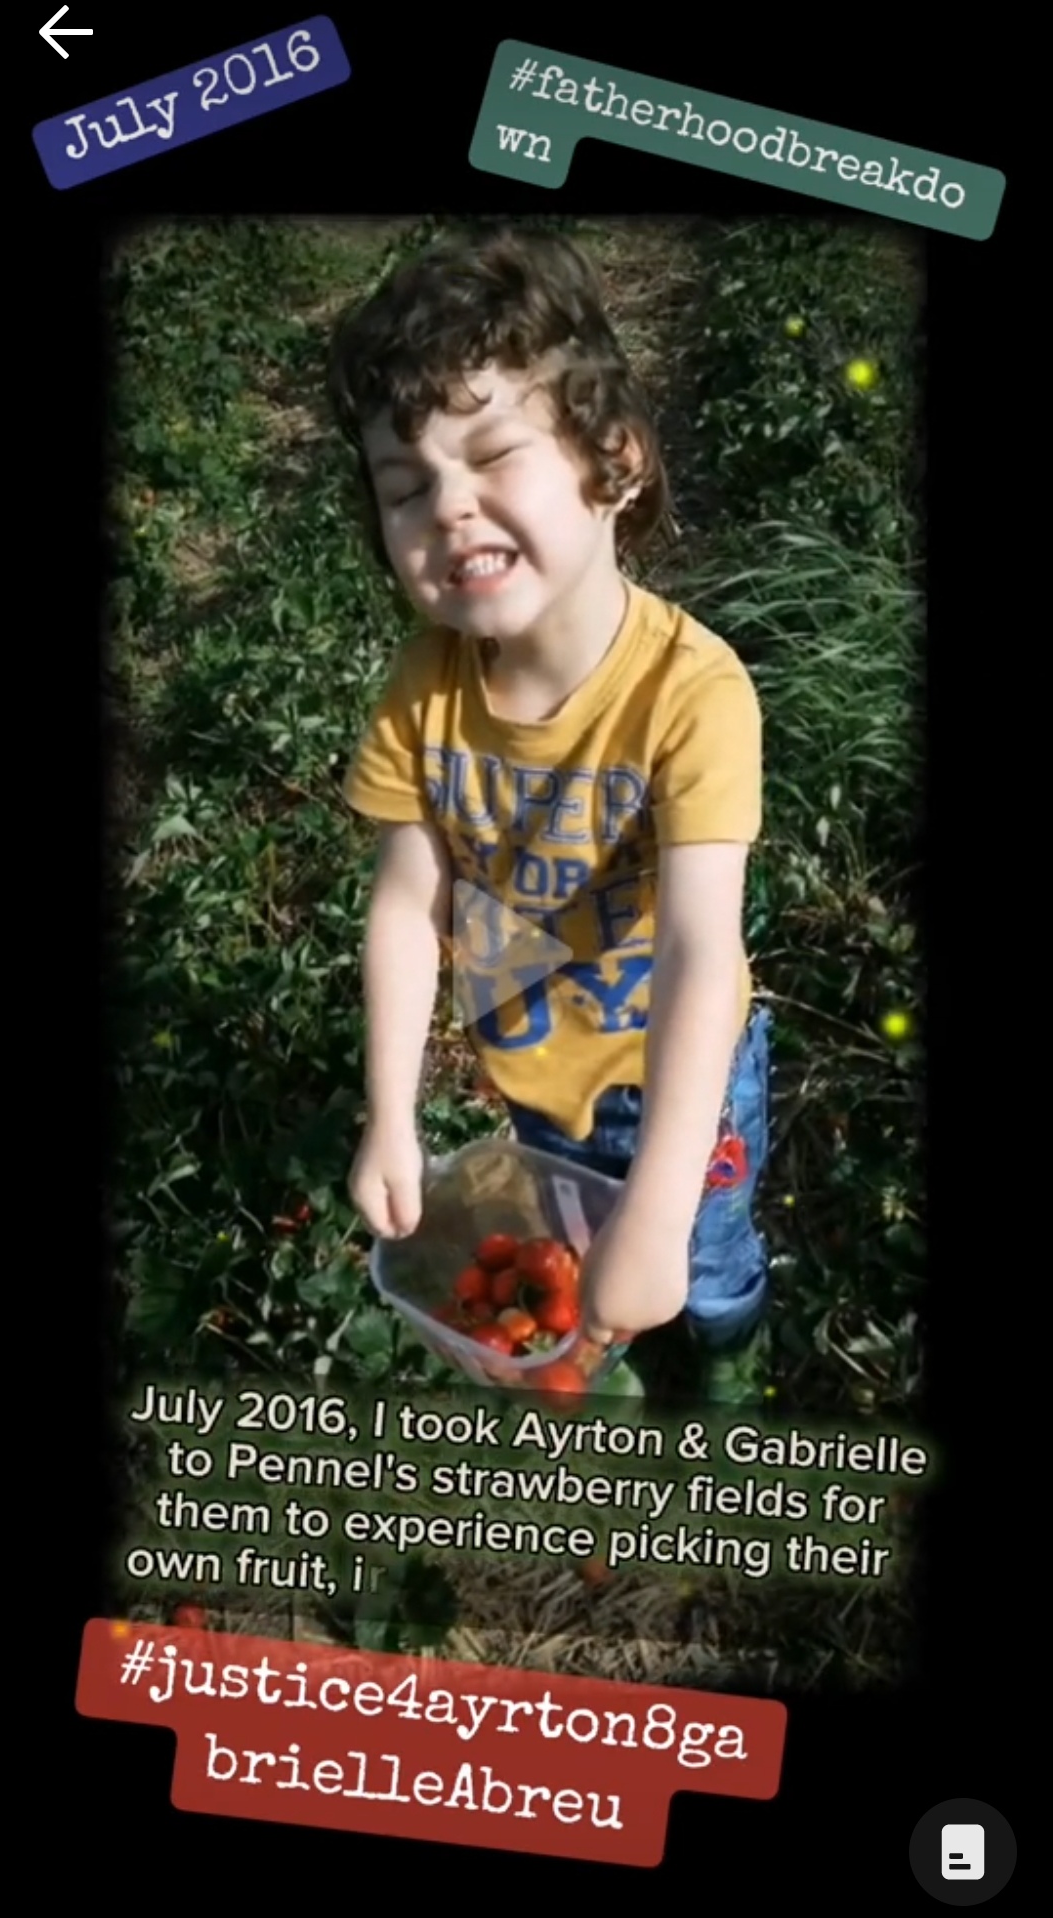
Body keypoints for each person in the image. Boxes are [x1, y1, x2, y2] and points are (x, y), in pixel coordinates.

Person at [327, 225, 773, 1404]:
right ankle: (604, 1359)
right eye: (408, 486)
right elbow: (408, 901)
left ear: (615, 461)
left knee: (705, 1258)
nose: (449, 508)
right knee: (580, 1253)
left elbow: (697, 950)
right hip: (532, 1071)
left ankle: (733, 1352)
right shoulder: (424, 685)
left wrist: (667, 1200)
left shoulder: (694, 694)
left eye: (491, 456)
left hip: (678, 1083)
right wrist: (390, 1116)